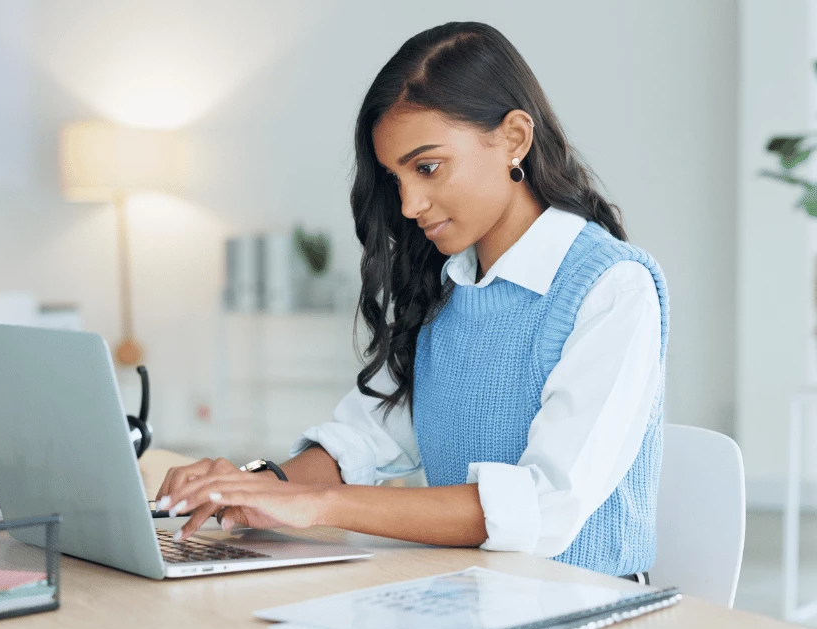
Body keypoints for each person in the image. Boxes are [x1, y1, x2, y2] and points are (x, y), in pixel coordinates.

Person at [157, 20, 667, 580]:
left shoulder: (613, 288)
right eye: (396, 178)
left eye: (427, 168)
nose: (408, 204)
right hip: (468, 593)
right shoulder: (447, 284)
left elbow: (543, 509)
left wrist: (320, 505)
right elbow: (367, 437)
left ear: (514, 139)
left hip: (585, 609)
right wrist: (262, 484)